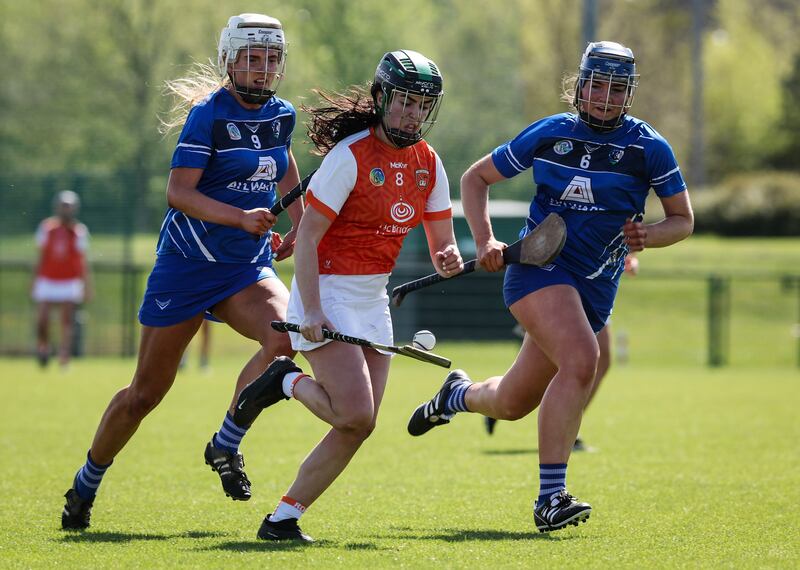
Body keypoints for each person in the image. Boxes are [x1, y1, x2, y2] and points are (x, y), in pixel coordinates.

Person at [407, 41, 693, 533]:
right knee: (584, 360)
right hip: (538, 271)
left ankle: (456, 396)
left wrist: (650, 236)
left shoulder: (649, 148)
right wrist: (486, 239)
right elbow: (476, 179)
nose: (605, 96)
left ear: (629, 93)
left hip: (596, 288)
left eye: (616, 87)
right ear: (579, 86)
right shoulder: (551, 134)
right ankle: (550, 498)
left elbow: (683, 220)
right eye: (597, 85)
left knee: (513, 403)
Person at [61, 13, 303, 530]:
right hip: (188, 268)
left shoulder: (282, 115)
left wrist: (299, 226)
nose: (263, 70)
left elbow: (284, 168)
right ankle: (85, 483)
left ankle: (225, 443)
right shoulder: (207, 116)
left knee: (285, 340)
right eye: (252, 59)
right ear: (230, 62)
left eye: (271, 60)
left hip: (244, 267)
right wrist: (241, 216)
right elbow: (179, 193)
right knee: (144, 394)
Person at [236, 49, 462, 543]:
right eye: (403, 100)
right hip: (328, 291)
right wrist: (312, 309)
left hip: (371, 299)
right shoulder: (350, 157)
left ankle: (282, 519)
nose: (411, 113)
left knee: (359, 425)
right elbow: (309, 240)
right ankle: (285, 383)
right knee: (355, 412)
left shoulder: (428, 164)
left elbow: (442, 242)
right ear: (381, 98)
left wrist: (448, 259)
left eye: (421, 105)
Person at [484, 252, 640, 451]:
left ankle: (565, 426)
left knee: (597, 360)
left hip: (597, 282)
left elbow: (624, 231)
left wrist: (629, 256)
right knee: (570, 362)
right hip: (562, 276)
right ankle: (500, 394)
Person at [32, 190, 92, 370]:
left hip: (69, 280)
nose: (66, 209)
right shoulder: (46, 228)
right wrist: (34, 280)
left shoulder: (79, 231)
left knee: (66, 320)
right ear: (57, 207)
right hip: (47, 278)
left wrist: (87, 285)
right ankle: (43, 349)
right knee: (42, 319)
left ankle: (64, 356)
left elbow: (83, 261)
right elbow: (40, 256)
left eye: (69, 206)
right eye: (64, 206)